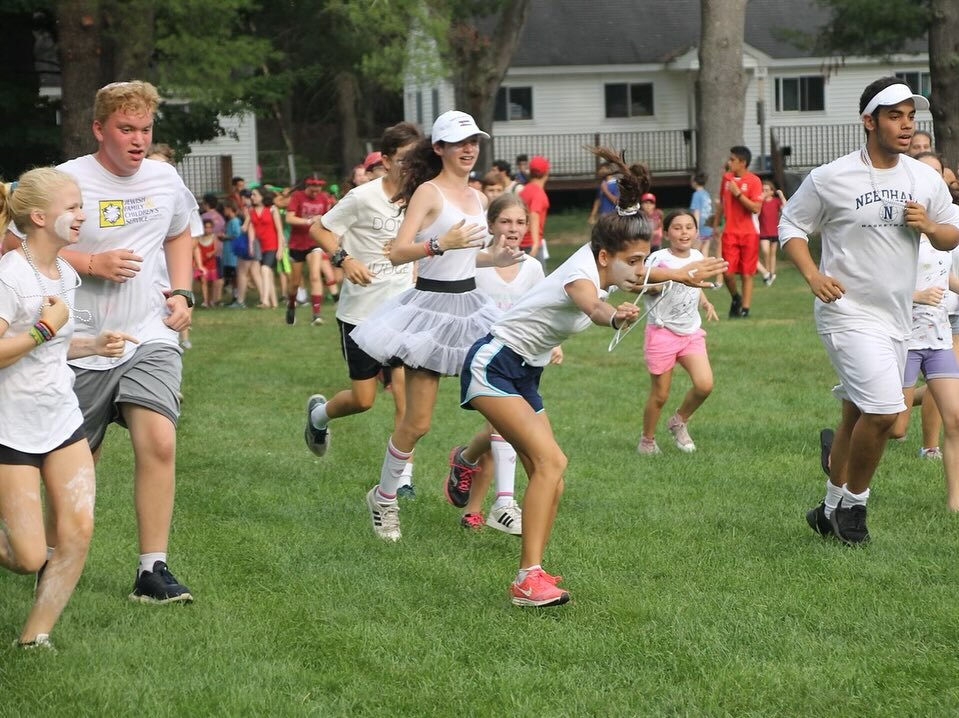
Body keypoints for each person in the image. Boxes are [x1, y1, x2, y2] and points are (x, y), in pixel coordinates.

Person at [457, 146, 726, 606]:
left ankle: (479, 482)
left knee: (551, 474)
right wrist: (614, 318)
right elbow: (593, 303)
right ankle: (527, 577)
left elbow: (636, 270)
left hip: (525, 372)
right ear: (605, 256)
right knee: (552, 464)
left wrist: (678, 275)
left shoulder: (608, 259)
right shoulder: (582, 274)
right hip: (494, 364)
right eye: (637, 261)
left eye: (645, 259)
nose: (643, 271)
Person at [780, 77, 959, 545]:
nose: (906, 126)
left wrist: (932, 226)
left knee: (856, 412)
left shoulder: (923, 178)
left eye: (911, 116)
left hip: (898, 316)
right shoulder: (831, 177)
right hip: (846, 312)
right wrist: (812, 275)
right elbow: (791, 225)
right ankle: (853, 507)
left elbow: (950, 234)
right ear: (869, 121)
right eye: (895, 116)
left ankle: (828, 508)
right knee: (883, 412)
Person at [350, 109, 522, 542]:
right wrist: (439, 243)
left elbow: (466, 256)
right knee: (418, 423)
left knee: (504, 404)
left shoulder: (479, 198)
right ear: (440, 148)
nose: (469, 149)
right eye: (460, 142)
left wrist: (494, 259)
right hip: (429, 311)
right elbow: (398, 252)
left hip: (471, 306)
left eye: (475, 142)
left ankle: (498, 496)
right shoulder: (428, 192)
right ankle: (384, 498)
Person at [57, 80, 197, 602]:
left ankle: (151, 570)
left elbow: (180, 232)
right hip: (83, 343)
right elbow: (17, 242)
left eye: (145, 129)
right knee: (77, 465)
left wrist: (182, 292)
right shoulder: (66, 180)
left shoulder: (163, 178)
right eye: (126, 129)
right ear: (99, 129)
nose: (138, 140)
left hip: (150, 333)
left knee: (159, 439)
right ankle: (51, 553)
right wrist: (90, 262)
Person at [0, 167, 134, 647]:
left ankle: (35, 637)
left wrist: (93, 343)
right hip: (9, 427)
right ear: (39, 216)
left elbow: (52, 347)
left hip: (60, 418)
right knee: (28, 556)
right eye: (72, 207)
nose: (83, 215)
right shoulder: (10, 278)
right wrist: (43, 328)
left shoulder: (66, 274)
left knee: (77, 530)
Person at [304, 122, 422, 496]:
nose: (410, 166)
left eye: (415, 158)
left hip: (402, 311)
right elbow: (318, 229)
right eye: (403, 159)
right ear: (385, 161)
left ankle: (401, 479)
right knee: (364, 400)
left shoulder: (420, 196)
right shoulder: (362, 197)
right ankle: (319, 416)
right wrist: (344, 259)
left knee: (407, 399)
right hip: (360, 315)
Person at [451, 193, 560, 534]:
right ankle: (504, 503)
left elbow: (545, 308)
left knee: (498, 428)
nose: (513, 229)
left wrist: (554, 343)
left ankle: (467, 466)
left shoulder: (533, 268)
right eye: (505, 221)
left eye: (520, 222)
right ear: (491, 224)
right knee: (504, 428)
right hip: (484, 359)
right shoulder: (476, 263)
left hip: (522, 360)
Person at [637, 210, 718, 455]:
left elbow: (696, 283)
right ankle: (647, 441)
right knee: (660, 394)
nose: (684, 232)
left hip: (690, 332)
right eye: (678, 227)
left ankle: (678, 420)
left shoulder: (697, 255)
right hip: (662, 331)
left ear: (696, 231)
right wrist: (666, 282)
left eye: (689, 227)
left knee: (704, 385)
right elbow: (644, 288)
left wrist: (705, 302)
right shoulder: (657, 259)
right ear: (666, 232)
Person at [285, 178, 336, 326]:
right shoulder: (297, 197)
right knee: (295, 282)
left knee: (315, 276)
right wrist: (308, 221)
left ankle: (316, 315)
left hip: (314, 242)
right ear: (307, 186)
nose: (316, 192)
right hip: (297, 243)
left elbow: (327, 219)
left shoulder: (324, 198)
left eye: (318, 188)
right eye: (313, 188)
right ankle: (291, 305)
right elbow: (289, 218)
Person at [718, 146, 762, 318]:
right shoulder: (726, 179)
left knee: (747, 273)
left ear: (742, 163)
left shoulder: (754, 181)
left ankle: (745, 309)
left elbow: (755, 208)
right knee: (727, 273)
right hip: (729, 232)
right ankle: (735, 297)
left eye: (732, 160)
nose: (729, 162)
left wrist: (738, 194)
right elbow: (722, 202)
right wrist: (716, 222)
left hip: (749, 233)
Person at [248, 187, 284, 309]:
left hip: (272, 245)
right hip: (260, 246)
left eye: (254, 194)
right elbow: (252, 228)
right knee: (267, 274)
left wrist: (280, 249)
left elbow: (279, 230)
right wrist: (251, 245)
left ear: (262, 196)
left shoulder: (272, 209)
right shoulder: (251, 211)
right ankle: (274, 303)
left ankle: (264, 300)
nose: (252, 197)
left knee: (264, 269)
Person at [519, 155, 550, 267]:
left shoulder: (523, 191)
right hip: (531, 243)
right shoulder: (538, 193)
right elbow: (534, 213)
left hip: (520, 241)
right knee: (541, 281)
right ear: (546, 172)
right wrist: (536, 242)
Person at [758, 179, 786, 286]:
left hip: (774, 231)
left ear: (771, 191)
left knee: (772, 253)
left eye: (766, 190)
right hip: (763, 231)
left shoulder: (775, 201)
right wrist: (760, 199)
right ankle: (767, 272)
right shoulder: (760, 201)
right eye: (763, 190)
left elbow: (785, 207)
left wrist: (781, 196)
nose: (764, 191)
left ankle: (772, 273)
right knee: (765, 251)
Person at [193, 218, 218, 308]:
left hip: (211, 263)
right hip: (201, 263)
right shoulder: (198, 238)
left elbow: (216, 249)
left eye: (209, 227)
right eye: (206, 227)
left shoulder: (213, 237)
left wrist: (211, 253)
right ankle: (205, 301)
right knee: (203, 281)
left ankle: (210, 300)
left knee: (211, 283)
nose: (207, 229)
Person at [689, 172, 714, 258]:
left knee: (695, 252)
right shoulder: (706, 194)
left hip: (701, 226)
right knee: (705, 252)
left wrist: (696, 228)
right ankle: (707, 270)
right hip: (708, 226)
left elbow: (696, 212)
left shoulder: (696, 195)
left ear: (695, 182)